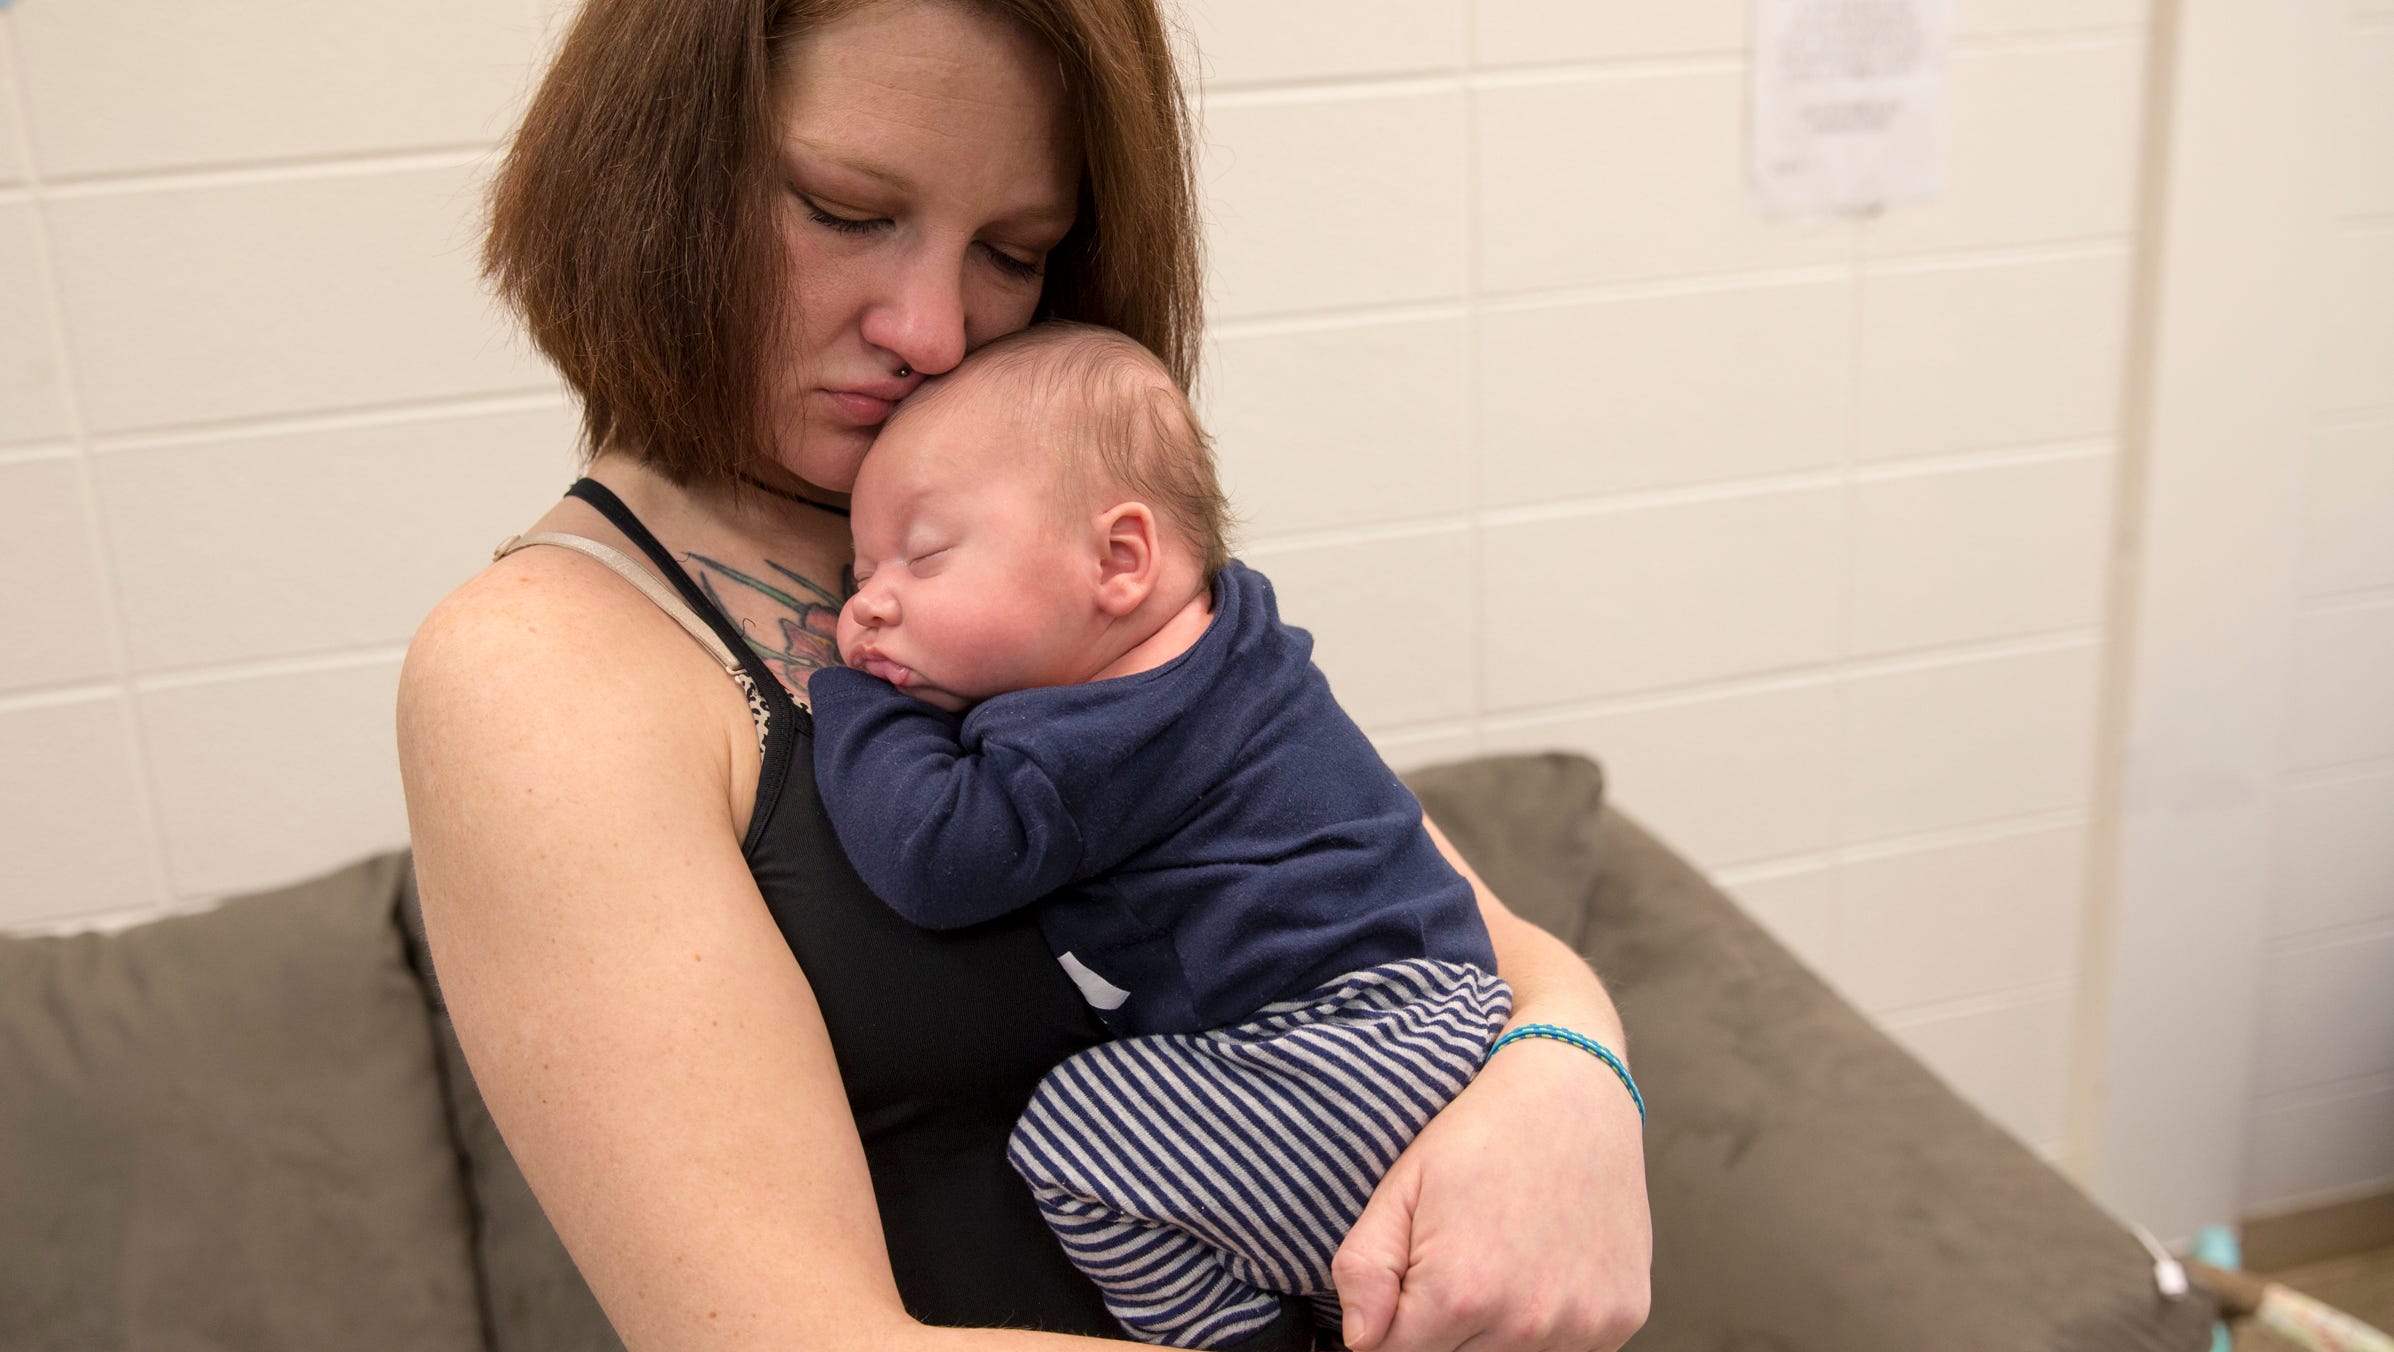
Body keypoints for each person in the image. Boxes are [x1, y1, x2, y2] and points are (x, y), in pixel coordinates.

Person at [396, 2, 1653, 1349]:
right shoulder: (535, 669)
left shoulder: (1045, 529)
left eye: (1013, 252)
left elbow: (1473, 939)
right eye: (844, 211)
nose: (936, 331)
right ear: (653, 179)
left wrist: (1576, 1076)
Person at [809, 321, 1570, 1347]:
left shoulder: (1102, 730)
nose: (867, 606)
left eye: (925, 556)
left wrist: (855, 699)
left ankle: (1246, 1334)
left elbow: (935, 853)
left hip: (1347, 1059)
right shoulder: (1234, 645)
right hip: (1452, 1031)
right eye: (858, 575)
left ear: (1120, 558)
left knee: (1077, 1135)